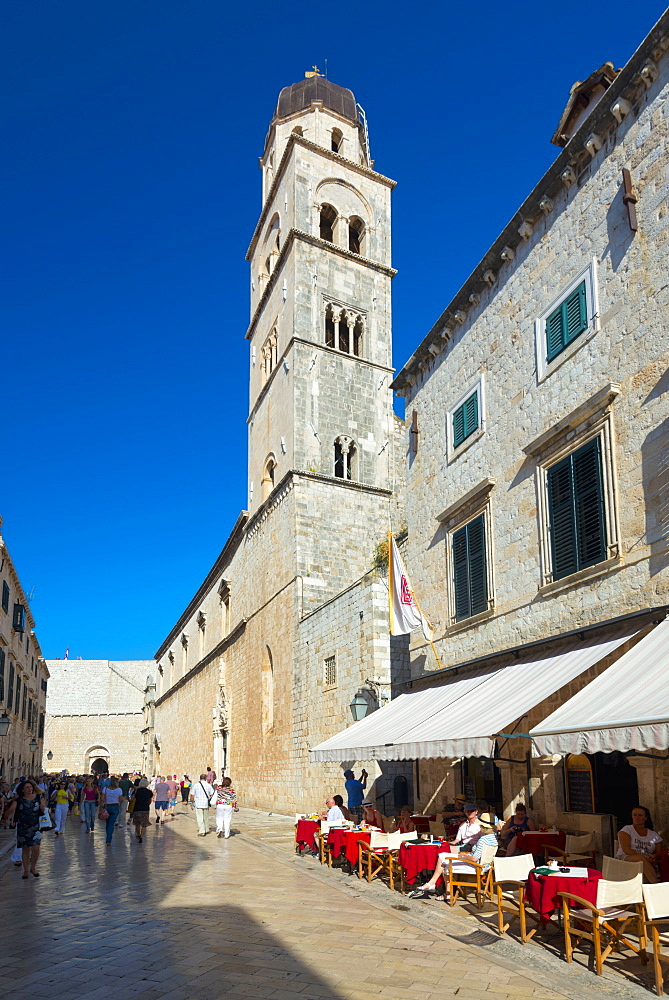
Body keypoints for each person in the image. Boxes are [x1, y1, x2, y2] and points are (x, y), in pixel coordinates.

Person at [408, 811, 499, 900]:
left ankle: (442, 889)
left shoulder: (483, 839)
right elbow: (480, 854)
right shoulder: (493, 839)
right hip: (484, 866)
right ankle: (435, 885)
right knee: (443, 857)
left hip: (476, 866)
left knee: (444, 860)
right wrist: (464, 854)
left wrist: (461, 856)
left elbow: (474, 858)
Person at [616, 806, 662, 883]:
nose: (637, 817)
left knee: (643, 870)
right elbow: (626, 849)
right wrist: (645, 858)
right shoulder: (627, 829)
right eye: (634, 815)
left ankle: (647, 891)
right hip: (626, 858)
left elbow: (659, 853)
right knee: (640, 859)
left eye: (640, 815)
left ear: (646, 818)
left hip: (647, 862)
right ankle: (655, 886)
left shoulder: (654, 835)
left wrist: (654, 856)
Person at [14, 779, 47, 879]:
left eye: (31, 787)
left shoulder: (38, 797)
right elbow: (15, 811)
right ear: (23, 790)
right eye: (27, 787)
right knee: (26, 849)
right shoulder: (19, 800)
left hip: (36, 825)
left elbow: (43, 807)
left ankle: (33, 867)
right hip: (23, 826)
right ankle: (25, 871)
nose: (29, 789)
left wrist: (42, 807)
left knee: (36, 848)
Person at [100, 776, 125, 845]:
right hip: (115, 807)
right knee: (111, 823)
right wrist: (122, 798)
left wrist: (101, 807)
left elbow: (102, 799)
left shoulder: (105, 789)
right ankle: (109, 840)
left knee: (107, 823)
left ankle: (108, 837)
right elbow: (120, 800)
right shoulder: (119, 790)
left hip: (107, 807)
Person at [131, 778, 154, 843]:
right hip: (145, 809)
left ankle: (138, 835)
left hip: (137, 808)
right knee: (144, 824)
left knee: (137, 823)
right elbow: (150, 801)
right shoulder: (149, 792)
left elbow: (132, 799)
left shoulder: (136, 791)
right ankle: (141, 836)